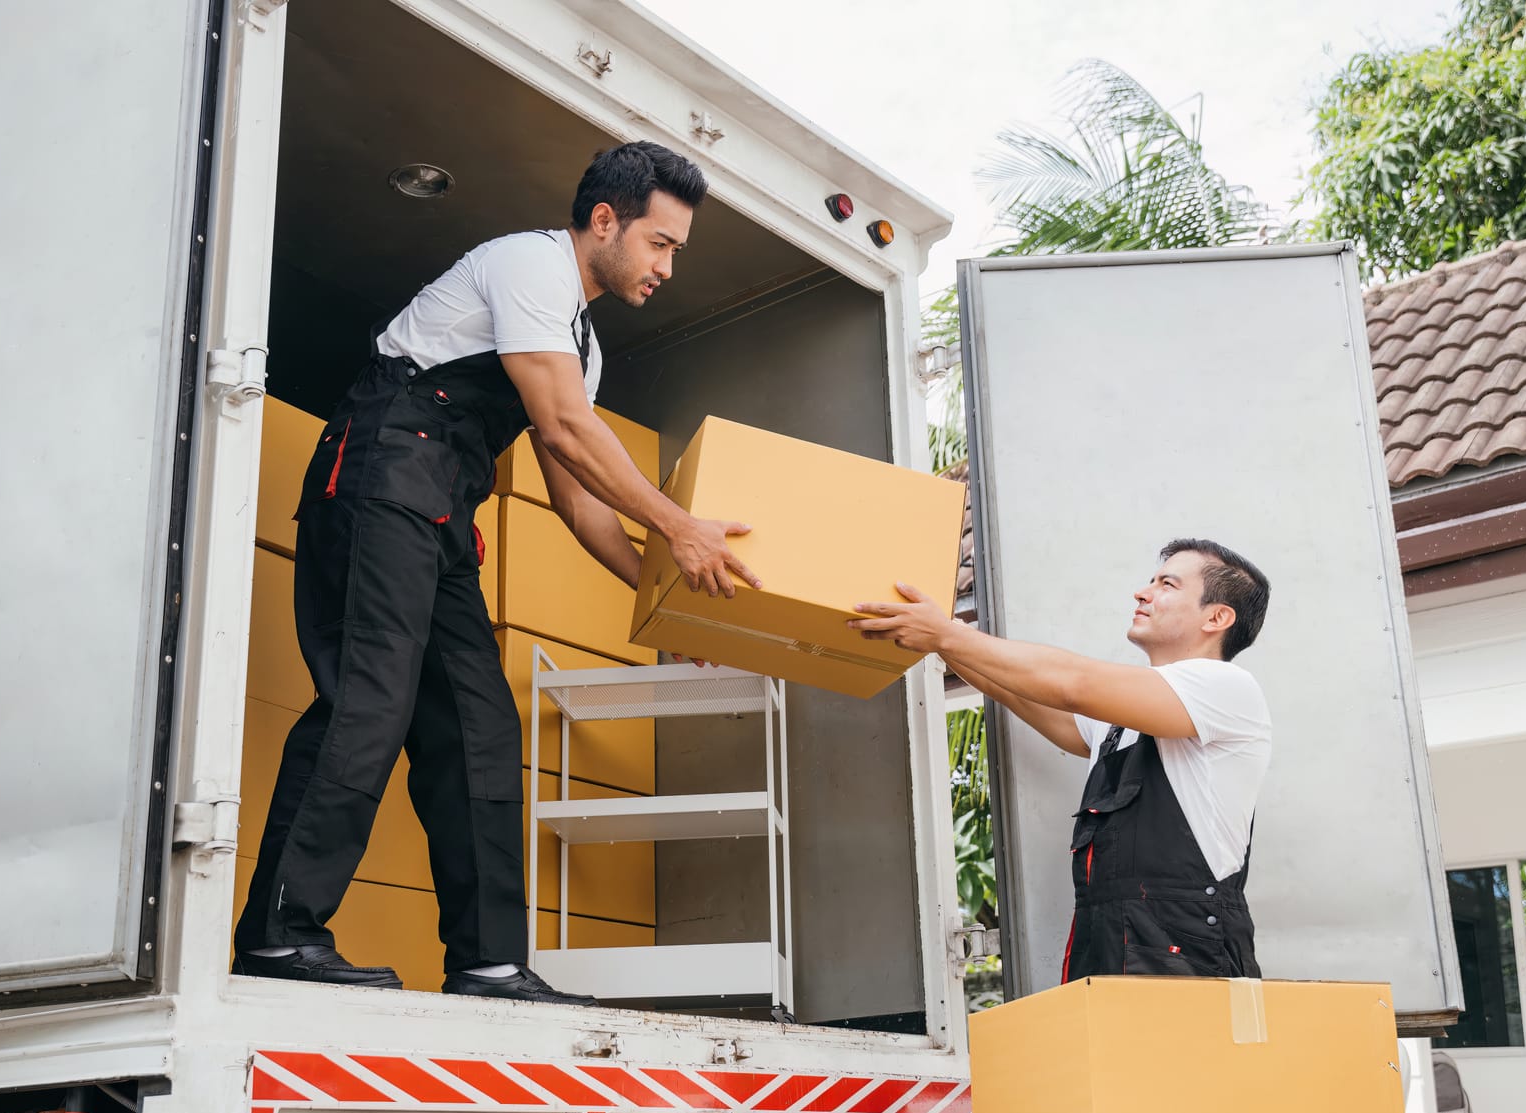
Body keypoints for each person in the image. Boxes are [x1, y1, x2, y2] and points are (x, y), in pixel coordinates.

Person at [233, 142, 758, 1002]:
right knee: (370, 701)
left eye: (675, 250)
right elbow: (564, 429)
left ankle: (487, 961)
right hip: (377, 479)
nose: (668, 267)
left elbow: (578, 498)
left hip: (440, 515)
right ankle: (279, 937)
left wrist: (660, 597)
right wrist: (678, 526)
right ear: (604, 221)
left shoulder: (581, 347)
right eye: (660, 243)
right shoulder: (528, 266)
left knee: (479, 728)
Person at [849, 539, 1271, 981]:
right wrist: (949, 643)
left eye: (1167, 584)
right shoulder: (1123, 719)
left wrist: (947, 635)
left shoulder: (1227, 688)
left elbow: (1072, 685)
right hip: (1109, 945)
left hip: (1190, 959)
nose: (1142, 593)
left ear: (1217, 618)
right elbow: (1032, 699)